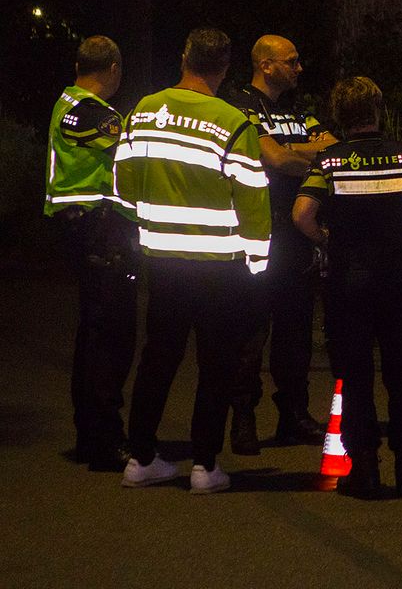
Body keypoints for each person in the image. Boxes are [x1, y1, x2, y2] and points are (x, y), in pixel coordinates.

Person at [113, 28, 271, 494]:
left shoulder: (143, 110)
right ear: (225, 67)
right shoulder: (233, 123)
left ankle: (140, 458)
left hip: (161, 258)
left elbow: (122, 182)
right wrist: (258, 264)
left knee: (158, 357)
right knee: (216, 363)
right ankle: (205, 466)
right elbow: (253, 201)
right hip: (219, 265)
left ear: (184, 57)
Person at [293, 77, 402, 499]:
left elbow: (302, 215)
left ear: (340, 117)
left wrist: (328, 239)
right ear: (378, 111)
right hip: (398, 283)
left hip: (347, 286)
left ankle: (364, 469)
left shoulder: (329, 161)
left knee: (354, 377)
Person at [223, 35, 335, 454]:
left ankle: (294, 414)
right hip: (256, 233)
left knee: (295, 330)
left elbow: (333, 149)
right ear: (266, 65)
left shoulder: (298, 109)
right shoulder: (241, 106)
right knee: (251, 330)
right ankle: (244, 418)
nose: (299, 68)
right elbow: (274, 159)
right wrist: (301, 152)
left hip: (297, 236)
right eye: (292, 61)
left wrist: (290, 149)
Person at [43, 35, 137, 472]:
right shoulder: (88, 111)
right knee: (110, 337)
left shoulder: (67, 103)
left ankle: (91, 433)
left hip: (83, 227)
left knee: (95, 334)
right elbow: (134, 150)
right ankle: (103, 438)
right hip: (98, 229)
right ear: (113, 68)